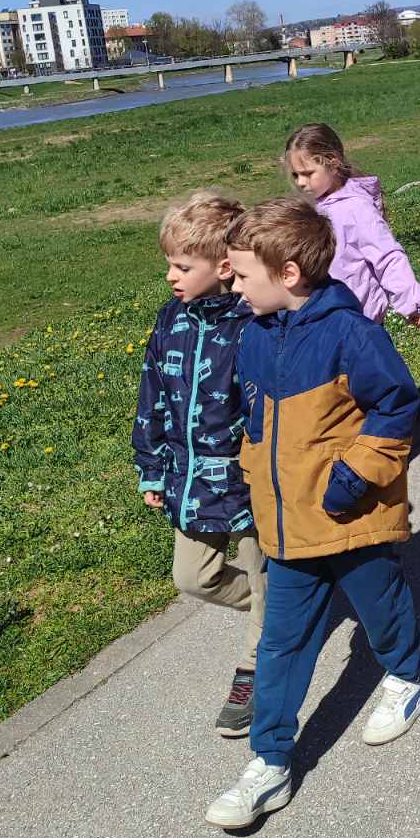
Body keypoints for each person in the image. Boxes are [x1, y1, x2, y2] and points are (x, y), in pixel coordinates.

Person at [204, 196, 420, 830]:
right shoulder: (252, 335)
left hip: (350, 516)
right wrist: (246, 476)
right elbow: (254, 422)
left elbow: (397, 404)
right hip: (287, 524)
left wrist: (351, 479)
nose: (234, 283)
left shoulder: (352, 334)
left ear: (290, 275)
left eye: (244, 274)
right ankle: (269, 762)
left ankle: (406, 676)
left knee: (380, 609)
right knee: (281, 642)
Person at [133, 190, 265, 740]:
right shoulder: (172, 319)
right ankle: (285, 610)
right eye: (170, 264)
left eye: (183, 266)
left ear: (225, 265)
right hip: (192, 477)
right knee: (194, 576)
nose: (171, 276)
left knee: (264, 570)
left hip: (250, 476)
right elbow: (153, 395)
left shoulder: (254, 319)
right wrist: (153, 467)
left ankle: (260, 664)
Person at [284, 122, 420, 325]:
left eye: (307, 173)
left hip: (358, 322)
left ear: (333, 164)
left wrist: (414, 305)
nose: (300, 182)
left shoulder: (356, 208)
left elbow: (387, 258)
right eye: (295, 175)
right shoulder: (317, 207)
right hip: (327, 319)